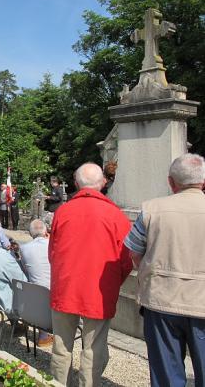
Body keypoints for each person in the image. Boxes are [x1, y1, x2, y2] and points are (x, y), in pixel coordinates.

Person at [124, 153, 205, 387]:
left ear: (171, 182)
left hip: (161, 299)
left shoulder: (152, 209)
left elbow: (135, 253)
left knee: (166, 374)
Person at [48, 163, 132, 386]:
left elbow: (53, 252)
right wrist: (114, 283)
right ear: (103, 183)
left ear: (76, 184)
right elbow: (126, 260)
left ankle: (59, 383)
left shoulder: (63, 211)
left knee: (61, 346)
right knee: (93, 349)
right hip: (100, 290)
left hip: (66, 286)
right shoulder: (115, 215)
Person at [20, 219, 52, 346]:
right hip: (53, 294)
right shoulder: (53, 245)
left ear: (31, 234)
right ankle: (43, 336)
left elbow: (25, 269)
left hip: (34, 296)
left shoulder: (24, 248)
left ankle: (42, 333)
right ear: (46, 232)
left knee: (34, 279)